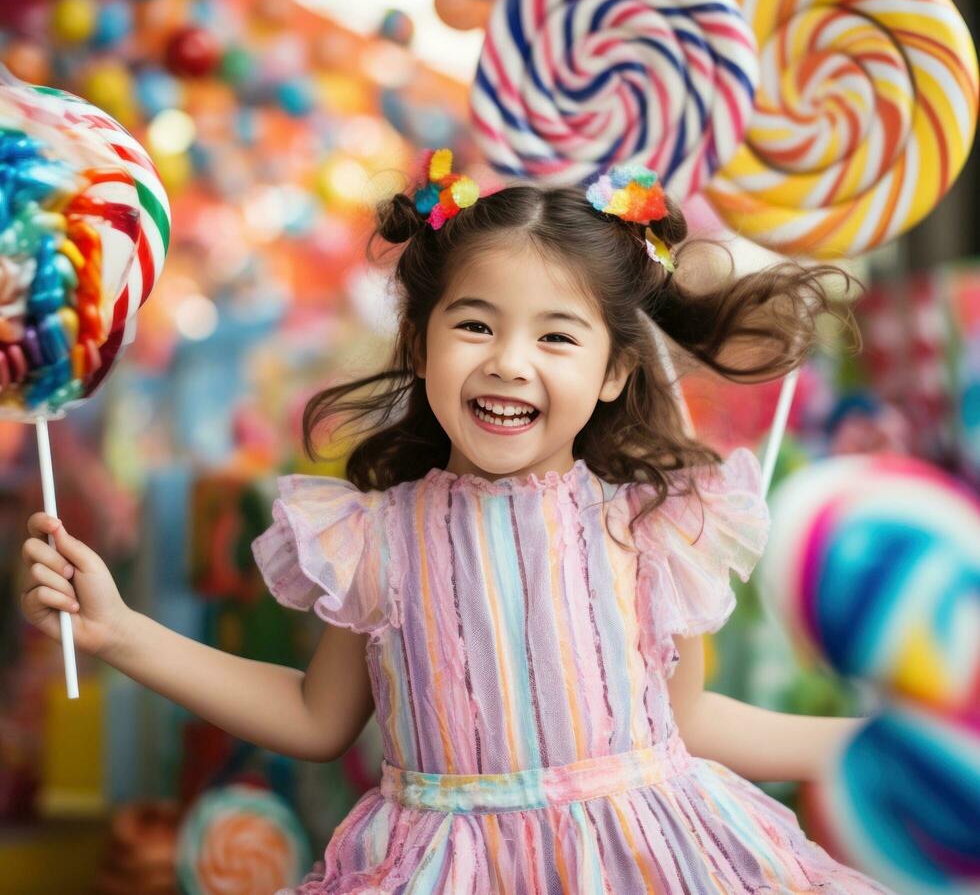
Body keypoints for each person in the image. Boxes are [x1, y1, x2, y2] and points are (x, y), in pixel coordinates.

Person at [19, 152, 894, 893]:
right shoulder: (377, 536)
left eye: (557, 337)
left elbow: (691, 722)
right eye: (475, 324)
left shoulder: (652, 528)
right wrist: (120, 631)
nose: (509, 362)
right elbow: (317, 719)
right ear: (423, 343)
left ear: (615, 372)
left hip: (641, 861)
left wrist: (873, 746)